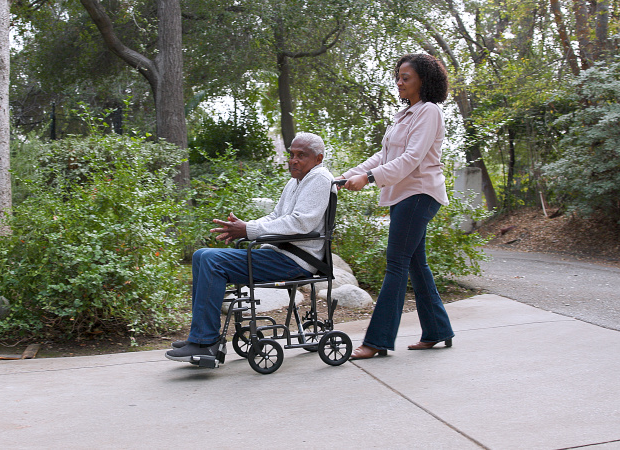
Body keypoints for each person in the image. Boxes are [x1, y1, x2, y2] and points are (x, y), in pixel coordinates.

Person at [166, 132, 334, 363]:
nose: (293, 160)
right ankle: (200, 337)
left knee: (212, 260)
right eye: (291, 155)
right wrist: (246, 226)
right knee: (201, 255)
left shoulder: (319, 179)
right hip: (279, 254)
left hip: (296, 260)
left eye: (301, 155)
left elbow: (300, 223)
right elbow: (276, 216)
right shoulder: (296, 181)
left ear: (318, 158)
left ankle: (205, 343)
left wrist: (249, 230)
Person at [338, 53, 454, 359]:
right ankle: (438, 330)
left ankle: (377, 341)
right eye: (398, 77)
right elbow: (385, 155)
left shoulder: (429, 112)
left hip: (419, 193)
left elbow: (411, 158)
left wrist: (369, 178)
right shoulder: (405, 115)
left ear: (423, 81)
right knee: (415, 263)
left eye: (406, 78)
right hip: (403, 195)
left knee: (396, 264)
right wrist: (349, 175)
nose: (399, 82)